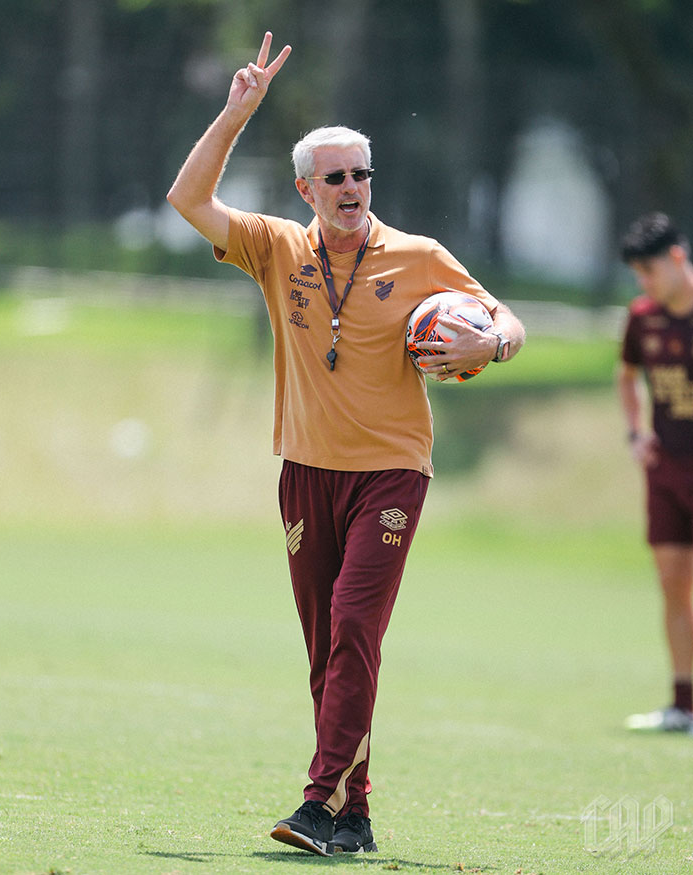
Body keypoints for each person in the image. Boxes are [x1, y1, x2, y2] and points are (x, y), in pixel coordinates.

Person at [167, 32, 526, 856]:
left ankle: (317, 803)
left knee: (355, 626)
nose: (352, 187)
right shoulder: (275, 246)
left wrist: (492, 344)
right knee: (326, 651)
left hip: (390, 474)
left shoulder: (418, 256)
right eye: (334, 177)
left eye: (362, 173)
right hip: (304, 471)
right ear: (305, 188)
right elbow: (188, 198)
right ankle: (355, 814)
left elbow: (506, 318)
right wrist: (236, 114)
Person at [618, 212, 693, 733]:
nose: (643, 283)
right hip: (665, 470)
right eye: (637, 274)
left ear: (677, 257)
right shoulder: (643, 317)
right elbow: (627, 375)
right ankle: (683, 704)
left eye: (649, 270)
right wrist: (635, 432)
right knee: (672, 583)